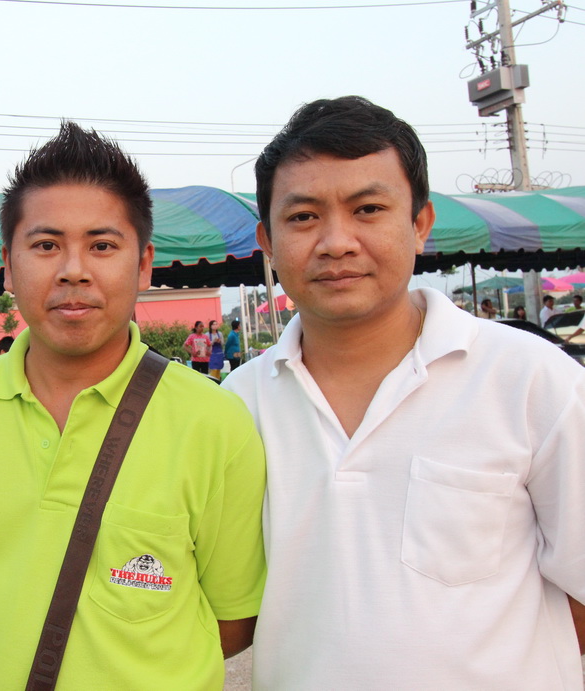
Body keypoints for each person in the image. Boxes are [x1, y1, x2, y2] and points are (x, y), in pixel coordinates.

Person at [221, 96, 585, 688]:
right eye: (304, 217)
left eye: (368, 209)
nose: (336, 242)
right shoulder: (239, 403)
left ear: (420, 224)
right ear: (268, 240)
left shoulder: (532, 380)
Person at [0, 122, 266, 689]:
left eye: (102, 246)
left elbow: (233, 619)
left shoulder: (214, 422)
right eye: (46, 245)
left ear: (144, 263)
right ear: (8, 264)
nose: (73, 270)